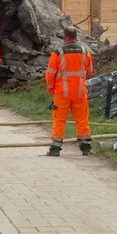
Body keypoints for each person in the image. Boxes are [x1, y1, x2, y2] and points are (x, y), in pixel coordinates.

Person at [46, 25, 94, 157]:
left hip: (62, 93)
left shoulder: (58, 52)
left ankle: (55, 148)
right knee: (82, 119)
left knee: (59, 120)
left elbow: (50, 74)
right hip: (80, 92)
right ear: (76, 36)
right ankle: (86, 147)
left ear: (64, 36)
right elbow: (89, 71)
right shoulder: (85, 51)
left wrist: (51, 88)